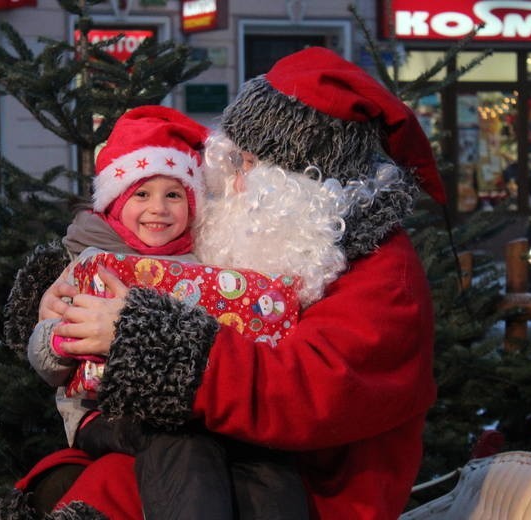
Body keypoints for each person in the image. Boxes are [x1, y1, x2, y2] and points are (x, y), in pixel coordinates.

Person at [0, 47, 446, 519]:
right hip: (213, 455)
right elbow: (141, 255)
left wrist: (146, 342)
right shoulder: (259, 232)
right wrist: (61, 295)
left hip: (310, 491)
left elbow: (306, 395)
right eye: (232, 159)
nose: (233, 180)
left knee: (119, 489)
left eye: (248, 163)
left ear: (307, 179)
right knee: (77, 484)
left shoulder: (382, 273)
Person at [22, 105, 313, 520]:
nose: (158, 208)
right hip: (105, 411)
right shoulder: (92, 261)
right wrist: (60, 339)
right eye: (142, 193)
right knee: (178, 443)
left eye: (173, 194)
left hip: (194, 402)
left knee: (263, 458)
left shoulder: (208, 266)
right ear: (116, 201)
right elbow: (47, 356)